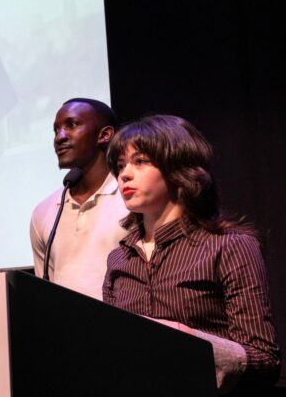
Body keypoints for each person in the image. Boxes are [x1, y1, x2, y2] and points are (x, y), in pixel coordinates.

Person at [102, 115, 280, 394]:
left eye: (140, 161)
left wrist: (191, 343)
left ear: (177, 166)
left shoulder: (229, 246)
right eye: (121, 165)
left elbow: (264, 360)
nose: (124, 174)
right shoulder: (119, 260)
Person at [30, 98, 128, 299]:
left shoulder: (133, 198)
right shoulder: (44, 211)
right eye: (56, 130)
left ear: (105, 135)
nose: (59, 137)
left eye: (71, 125)